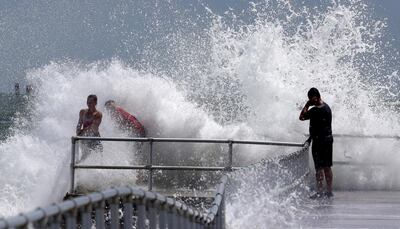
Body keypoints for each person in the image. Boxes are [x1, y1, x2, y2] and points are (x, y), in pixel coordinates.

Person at [299, 88, 334, 198]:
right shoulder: (327, 107)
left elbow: (301, 117)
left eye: (312, 99)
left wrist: (307, 104)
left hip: (320, 142)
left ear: (317, 97)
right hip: (327, 140)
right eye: (310, 100)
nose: (312, 101)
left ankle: (321, 191)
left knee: (321, 168)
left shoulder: (315, 110)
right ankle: (328, 191)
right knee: (325, 167)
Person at [76, 94, 103, 161]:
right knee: (83, 157)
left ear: (95, 103)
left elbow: (93, 127)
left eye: (91, 102)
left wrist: (82, 132)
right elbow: (79, 124)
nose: (89, 104)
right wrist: (78, 132)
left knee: (91, 159)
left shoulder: (98, 114)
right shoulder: (82, 112)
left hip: (94, 139)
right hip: (84, 138)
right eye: (88, 102)